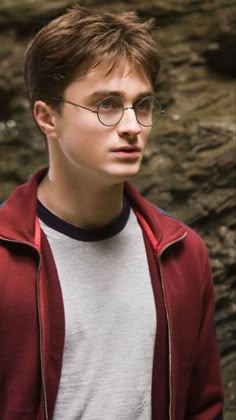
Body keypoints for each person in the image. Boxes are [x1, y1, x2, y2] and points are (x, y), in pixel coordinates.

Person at [0, 5, 224, 420]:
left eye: (141, 105)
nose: (132, 126)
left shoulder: (182, 253)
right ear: (47, 117)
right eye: (106, 104)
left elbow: (202, 406)